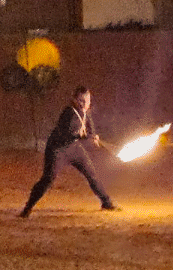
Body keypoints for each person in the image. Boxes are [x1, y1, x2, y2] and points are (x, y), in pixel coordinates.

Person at [19, 86, 118, 217]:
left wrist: (93, 136)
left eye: (88, 100)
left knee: (91, 174)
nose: (87, 103)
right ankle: (27, 208)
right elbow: (68, 133)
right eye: (84, 100)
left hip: (73, 147)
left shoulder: (85, 113)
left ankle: (106, 202)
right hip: (57, 149)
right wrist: (86, 136)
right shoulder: (69, 113)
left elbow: (88, 128)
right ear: (77, 100)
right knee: (48, 179)